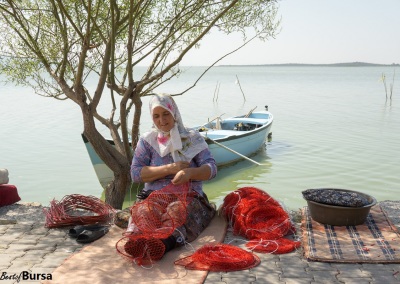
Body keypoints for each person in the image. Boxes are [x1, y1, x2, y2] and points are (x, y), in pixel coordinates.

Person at [130, 93, 217, 254]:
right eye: (156, 116)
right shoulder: (147, 140)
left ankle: (163, 244)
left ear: (174, 113)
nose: (162, 121)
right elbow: (135, 173)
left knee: (176, 212)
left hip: (189, 196)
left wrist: (190, 173)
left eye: (165, 114)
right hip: (154, 195)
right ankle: (137, 242)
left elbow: (211, 169)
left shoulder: (192, 138)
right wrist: (170, 168)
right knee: (145, 211)